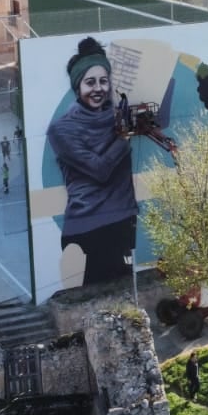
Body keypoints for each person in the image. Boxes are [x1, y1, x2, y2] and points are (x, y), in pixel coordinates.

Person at [46, 37, 138, 288]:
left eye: (103, 81)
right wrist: (125, 136)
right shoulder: (62, 129)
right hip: (89, 227)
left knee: (127, 290)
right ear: (77, 87)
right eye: (90, 82)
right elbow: (99, 170)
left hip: (123, 219)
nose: (98, 88)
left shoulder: (120, 115)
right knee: (99, 295)